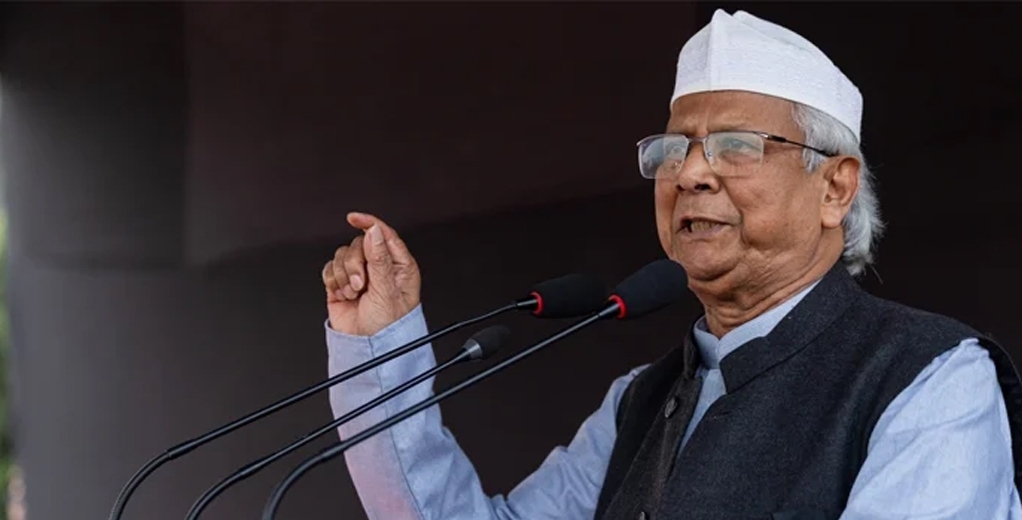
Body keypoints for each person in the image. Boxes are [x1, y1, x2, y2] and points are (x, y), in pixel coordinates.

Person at [320, 10, 1022, 520]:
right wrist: (379, 346)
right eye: (672, 150)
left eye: (737, 146)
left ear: (834, 188)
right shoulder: (640, 402)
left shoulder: (931, 377)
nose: (689, 174)